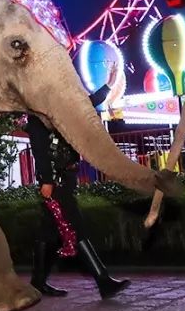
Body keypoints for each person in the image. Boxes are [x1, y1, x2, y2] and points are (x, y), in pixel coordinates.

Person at [26, 84, 129, 299]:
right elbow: (39, 150)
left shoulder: (60, 112)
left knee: (49, 232)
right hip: (56, 182)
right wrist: (46, 179)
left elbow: (86, 104)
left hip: (65, 179)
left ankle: (37, 282)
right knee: (76, 225)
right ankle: (103, 280)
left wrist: (108, 86)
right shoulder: (37, 117)